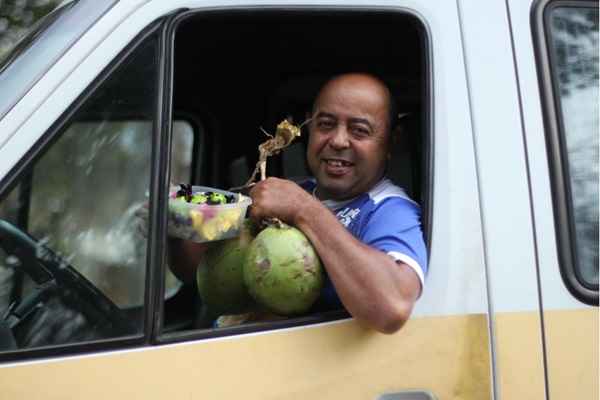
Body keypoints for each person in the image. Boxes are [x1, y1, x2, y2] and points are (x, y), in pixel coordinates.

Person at [248, 73, 427, 334]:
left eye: (359, 130)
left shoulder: (390, 210)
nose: (338, 140)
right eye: (326, 124)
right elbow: (195, 271)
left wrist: (304, 210)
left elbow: (393, 307)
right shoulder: (295, 192)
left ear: (391, 141)